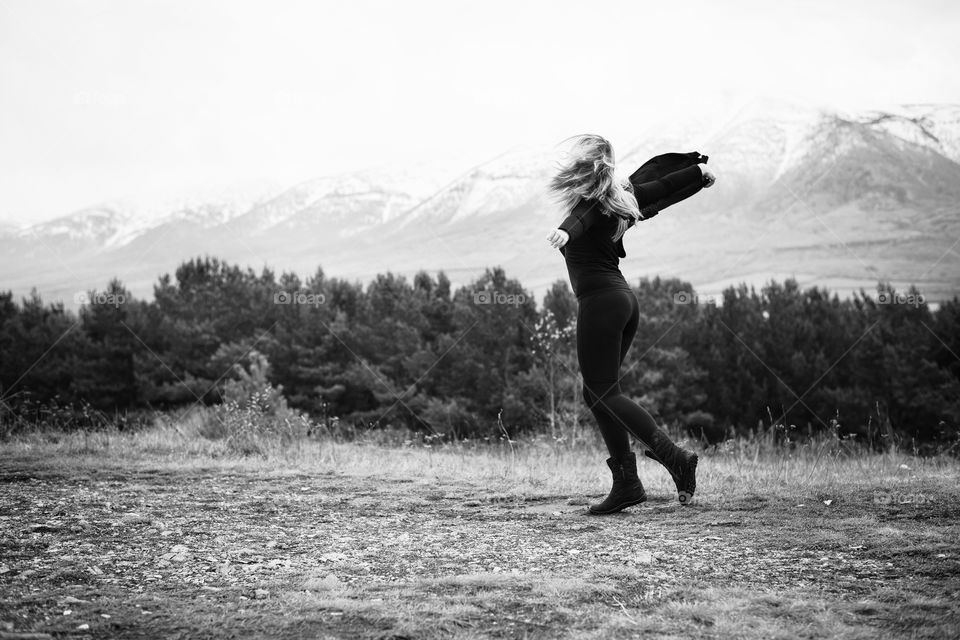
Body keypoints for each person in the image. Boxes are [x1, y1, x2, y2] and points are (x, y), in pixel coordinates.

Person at [545, 134, 715, 515]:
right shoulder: (621, 201)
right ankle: (627, 484)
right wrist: (696, 176)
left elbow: (580, 218)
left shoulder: (593, 205)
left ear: (590, 167)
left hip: (602, 303)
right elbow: (662, 185)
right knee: (599, 393)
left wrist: (565, 232)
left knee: (603, 392)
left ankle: (675, 458)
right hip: (622, 301)